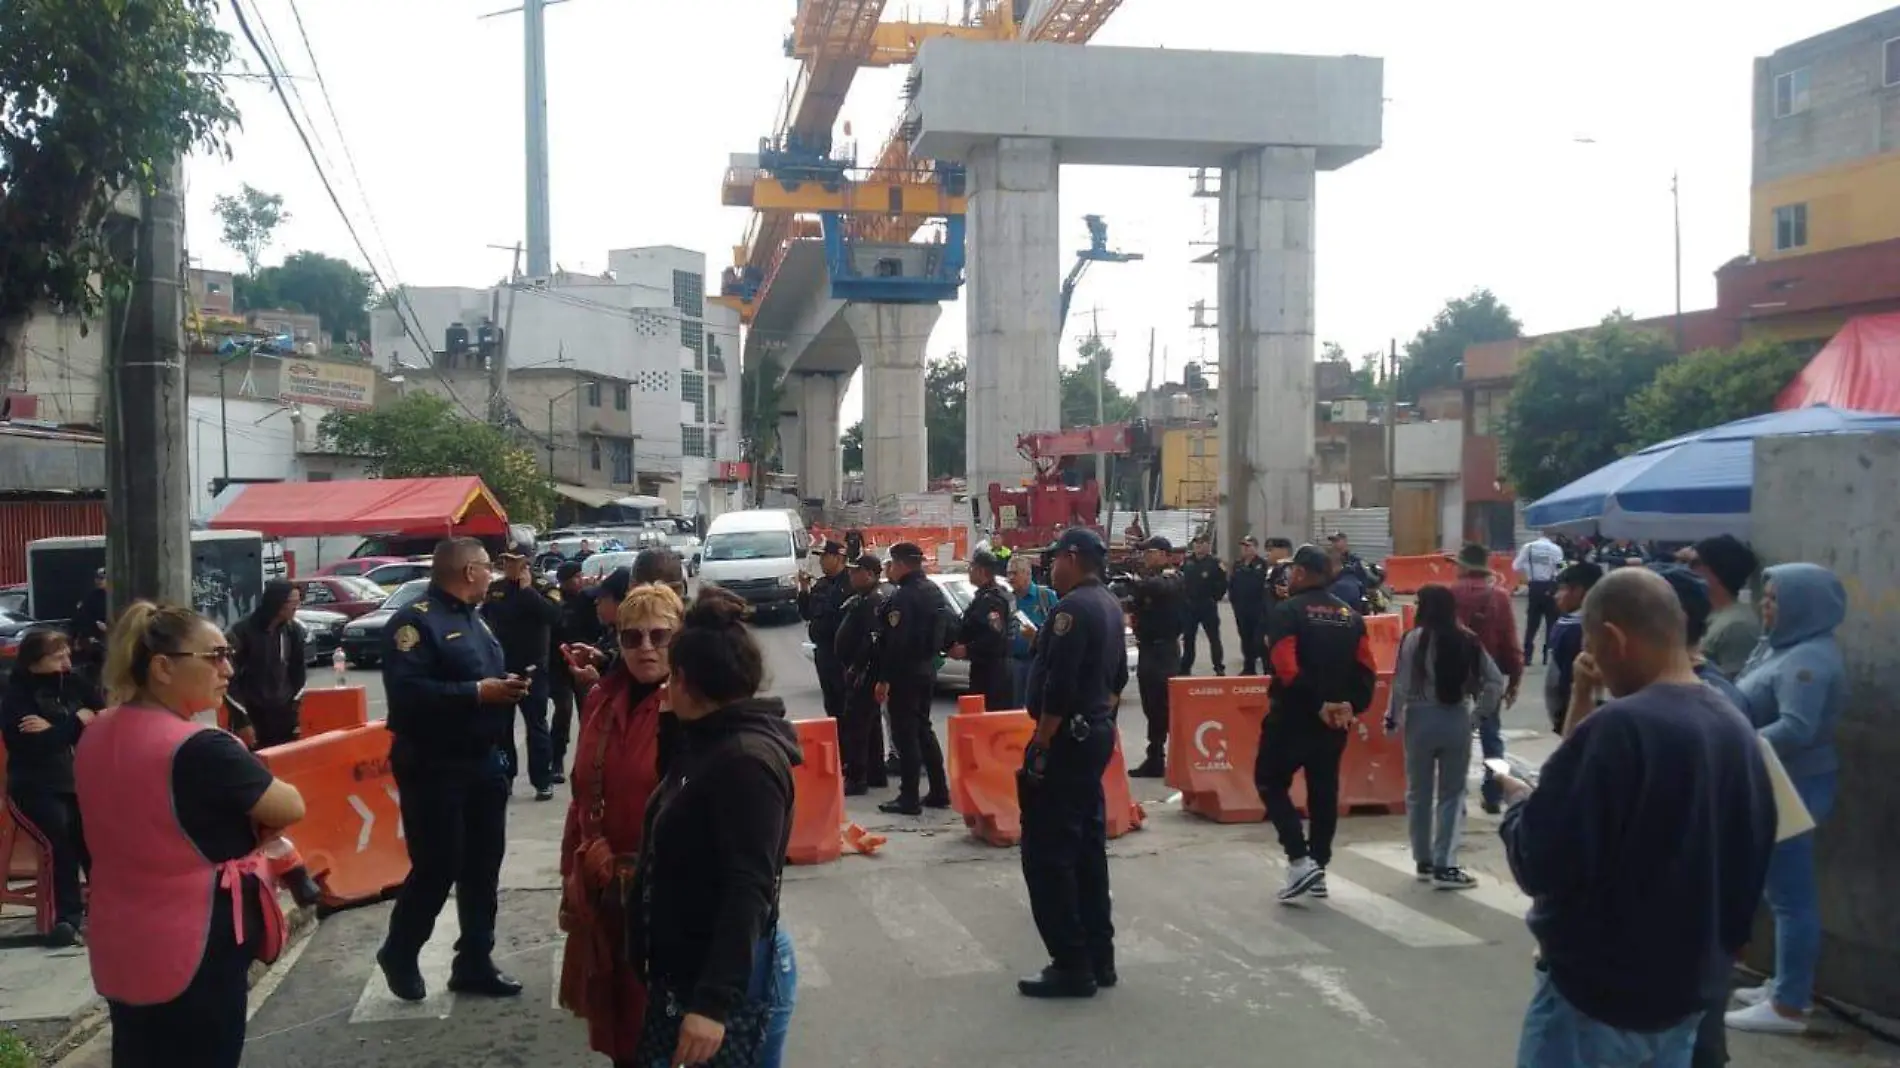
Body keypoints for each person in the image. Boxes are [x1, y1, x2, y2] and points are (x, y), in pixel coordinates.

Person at [1497, 568, 1775, 1068]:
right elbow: (1750, 858)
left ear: (1614, 638)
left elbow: (1541, 862)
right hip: (1686, 995)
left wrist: (1519, 804)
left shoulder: (1621, 729)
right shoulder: (1732, 721)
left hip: (1599, 998)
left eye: (1594, 647)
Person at [75, 602, 307, 1068]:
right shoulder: (201, 747)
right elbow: (290, 805)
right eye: (215, 656)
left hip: (119, 933)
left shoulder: (97, 732)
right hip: (197, 936)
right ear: (163, 667)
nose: (228, 668)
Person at [628, 588, 801, 1068]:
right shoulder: (706, 740)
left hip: (729, 977)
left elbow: (750, 885)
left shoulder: (745, 760)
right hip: (687, 963)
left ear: (683, 679)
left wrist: (712, 1005)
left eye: (670, 679)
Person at [377, 537, 532, 1003]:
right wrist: (477, 694)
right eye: (488, 567)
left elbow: (480, 680)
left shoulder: (475, 619)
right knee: (438, 864)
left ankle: (474, 961)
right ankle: (401, 951)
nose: (493, 574)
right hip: (433, 763)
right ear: (468, 571)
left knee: (484, 864)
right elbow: (408, 694)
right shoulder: (415, 622)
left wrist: (505, 688)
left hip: (481, 761)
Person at [558, 584, 682, 1066]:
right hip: (606, 893)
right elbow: (582, 796)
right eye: (632, 638)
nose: (646, 648)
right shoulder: (601, 701)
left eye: (658, 635)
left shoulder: (692, 705)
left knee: (664, 1034)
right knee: (618, 1031)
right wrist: (574, 869)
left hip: (666, 901)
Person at [1725, 563, 1846, 1037]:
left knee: (1791, 897)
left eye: (1775, 599)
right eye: (1766, 596)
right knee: (1778, 892)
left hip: (1792, 786)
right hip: (1774, 781)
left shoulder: (1808, 661)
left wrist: (1734, 744)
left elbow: (1797, 728)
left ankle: (1789, 1004)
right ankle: (1782, 983)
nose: (1765, 606)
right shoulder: (1783, 648)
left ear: (1803, 605)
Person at [1015, 529, 1127, 999]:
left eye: (1054, 557)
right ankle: (1099, 956)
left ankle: (1071, 962)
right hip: (1093, 732)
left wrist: (1042, 745)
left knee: (1048, 853)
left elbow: (1057, 687)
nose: (1049, 566)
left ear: (1074, 558)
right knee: (1085, 848)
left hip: (1066, 738)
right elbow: (1117, 679)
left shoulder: (1072, 610)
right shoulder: (1108, 604)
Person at [1257, 545, 1378, 902]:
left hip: (1294, 715)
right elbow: (1367, 669)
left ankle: (1299, 859)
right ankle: (1319, 868)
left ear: (1303, 573)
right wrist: (1352, 706)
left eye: (1294, 570)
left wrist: (1318, 703)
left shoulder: (1288, 611)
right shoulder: (1350, 616)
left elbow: (1285, 665)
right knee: (1323, 792)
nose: (1290, 575)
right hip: (1335, 721)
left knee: (1268, 780)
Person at [1386, 584, 1502, 890]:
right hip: (1455, 718)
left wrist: (1392, 720)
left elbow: (1399, 683)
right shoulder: (1468, 639)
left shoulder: (1413, 639)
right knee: (1452, 794)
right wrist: (1478, 715)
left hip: (1419, 719)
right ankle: (1445, 865)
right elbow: (1493, 681)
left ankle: (1423, 860)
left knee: (1418, 793)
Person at [3, 629, 103, 945]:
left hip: (74, 782)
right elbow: (37, 746)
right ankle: (66, 919)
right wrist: (76, 722)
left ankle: (105, 908)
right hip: (33, 786)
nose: (65, 661)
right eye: (56, 656)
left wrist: (63, 727)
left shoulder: (73, 684)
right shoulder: (15, 697)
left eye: (66, 654)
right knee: (59, 839)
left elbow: (103, 715)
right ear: (34, 663)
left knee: (94, 839)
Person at [873, 543, 953, 815]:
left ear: (902, 564)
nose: (890, 570)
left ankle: (909, 796)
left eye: (892, 564)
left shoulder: (904, 597)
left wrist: (884, 679)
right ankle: (940, 789)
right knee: (923, 729)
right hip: (927, 668)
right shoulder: (932, 592)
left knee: (905, 734)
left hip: (905, 672)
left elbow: (896, 642)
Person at [483, 541, 564, 802]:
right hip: (502, 669)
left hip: (533, 669)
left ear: (526, 562)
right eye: (506, 560)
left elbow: (554, 616)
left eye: (515, 560)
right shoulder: (495, 589)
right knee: (502, 728)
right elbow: (483, 619)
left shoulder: (544, 588)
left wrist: (528, 591)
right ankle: (505, 779)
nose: (509, 565)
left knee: (536, 726)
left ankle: (542, 780)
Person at [1449, 542, 1523, 813]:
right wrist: (1514, 679)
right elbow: (1510, 641)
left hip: (1453, 673)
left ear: (1464, 567)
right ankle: (1493, 794)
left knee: (1456, 737)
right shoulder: (1500, 597)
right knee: (1492, 738)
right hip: (1487, 675)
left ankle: (1455, 798)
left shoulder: (1450, 594)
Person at [1124, 536, 1185, 777]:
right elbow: (1134, 602)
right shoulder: (1149, 581)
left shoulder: (1173, 576)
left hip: (1164, 649)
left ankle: (1180, 756)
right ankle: (1155, 757)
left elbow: (1161, 588)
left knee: (1165, 704)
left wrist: (1136, 582)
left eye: (1149, 552)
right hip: (1148, 648)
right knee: (1151, 705)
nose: (1145, 557)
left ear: (1163, 554)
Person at [225, 579, 306, 749]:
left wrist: (293, 711)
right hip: (252, 716)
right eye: (293, 602)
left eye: (298, 602)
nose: (296, 607)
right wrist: (242, 721)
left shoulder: (293, 632)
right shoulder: (242, 632)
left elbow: (298, 673)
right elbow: (229, 679)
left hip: (283, 716)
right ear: (277, 602)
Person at [834, 554, 890, 795]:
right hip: (864, 670)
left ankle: (857, 777)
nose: (851, 575)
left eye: (856, 571)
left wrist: (857, 668)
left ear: (869, 573)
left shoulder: (874, 600)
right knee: (870, 723)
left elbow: (872, 640)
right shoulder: (864, 598)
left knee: (857, 723)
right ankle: (875, 771)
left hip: (865, 671)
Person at [1543, 562, 1604, 736]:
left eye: (1561, 589)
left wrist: (1561, 715)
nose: (1556, 596)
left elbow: (1559, 681)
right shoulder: (1572, 623)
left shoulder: (1573, 629)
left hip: (1574, 713)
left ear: (1578, 591)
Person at [951, 550, 1016, 710]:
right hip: (993, 668)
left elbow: (994, 638)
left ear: (980, 571)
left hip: (991, 673)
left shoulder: (991, 600)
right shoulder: (998, 594)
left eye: (971, 567)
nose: (969, 571)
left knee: (986, 719)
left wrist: (966, 650)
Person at [1689, 535, 1761, 679]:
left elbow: (1733, 686)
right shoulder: (1707, 615)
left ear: (1711, 572)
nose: (1685, 569)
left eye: (1693, 563)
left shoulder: (1737, 625)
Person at [549, 561, 595, 781]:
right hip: (559, 666)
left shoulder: (587, 600)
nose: (579, 580)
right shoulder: (554, 601)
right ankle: (556, 761)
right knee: (563, 712)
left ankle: (588, 761)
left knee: (589, 713)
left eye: (580, 576)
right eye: (574, 577)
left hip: (584, 664)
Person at [796, 540, 851, 721]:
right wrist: (804, 589)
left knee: (847, 706)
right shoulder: (821, 585)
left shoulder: (850, 584)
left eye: (825, 557)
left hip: (842, 655)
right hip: (823, 652)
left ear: (838, 558)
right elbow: (807, 613)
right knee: (831, 704)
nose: (821, 562)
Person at [1006, 554, 1060, 702]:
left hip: (1038, 662)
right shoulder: (1009, 599)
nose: (1010, 578)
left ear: (1027, 574)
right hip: (1015, 664)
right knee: (1016, 710)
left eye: (1014, 573)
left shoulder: (1045, 596)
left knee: (1037, 705)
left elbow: (1058, 628)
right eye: (1008, 573)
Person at [1514, 530, 1567, 665]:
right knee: (1551, 622)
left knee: (1532, 624)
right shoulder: (1555, 549)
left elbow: (1515, 566)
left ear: (1541, 534)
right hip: (1550, 587)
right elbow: (1561, 568)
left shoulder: (1528, 547)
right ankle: (1547, 655)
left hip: (1534, 587)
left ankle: (1527, 656)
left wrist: (1528, 571)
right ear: (1553, 536)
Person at [1177, 534, 1227, 675]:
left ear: (1208, 545)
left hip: (1207, 605)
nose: (1198, 546)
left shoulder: (1215, 563)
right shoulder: (1186, 562)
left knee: (1214, 638)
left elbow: (1223, 583)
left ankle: (1218, 667)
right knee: (1188, 639)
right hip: (1189, 606)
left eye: (1202, 543)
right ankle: (1185, 667)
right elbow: (1180, 581)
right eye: (1196, 543)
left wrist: (1215, 598)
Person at [1228, 535, 1271, 676]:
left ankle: (1266, 669)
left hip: (1258, 608)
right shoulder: (1238, 564)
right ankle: (1249, 668)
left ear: (1255, 548)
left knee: (1258, 641)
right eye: (1243, 546)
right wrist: (1234, 603)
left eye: (1248, 546)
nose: (1245, 549)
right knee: (1245, 638)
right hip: (1242, 608)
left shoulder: (1262, 565)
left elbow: (1266, 588)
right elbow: (1232, 585)